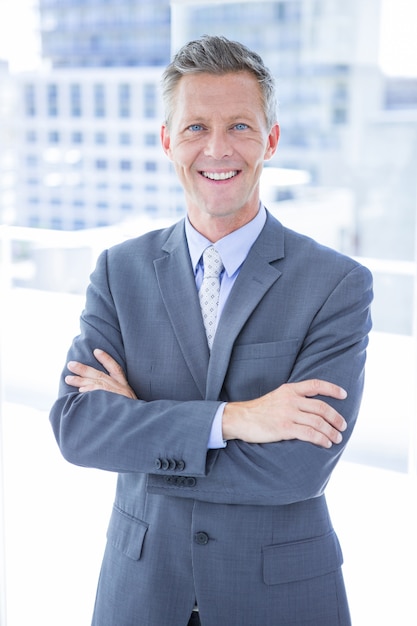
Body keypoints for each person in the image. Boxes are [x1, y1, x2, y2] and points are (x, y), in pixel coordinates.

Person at [49, 35, 373, 626]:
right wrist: (238, 419)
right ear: (167, 140)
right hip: (141, 595)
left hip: (280, 599)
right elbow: (78, 428)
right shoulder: (119, 271)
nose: (217, 149)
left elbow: (299, 467)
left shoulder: (337, 284)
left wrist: (143, 429)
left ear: (271, 139)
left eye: (241, 127)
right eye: (196, 127)